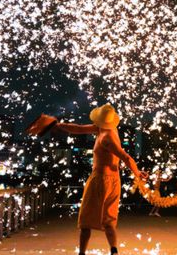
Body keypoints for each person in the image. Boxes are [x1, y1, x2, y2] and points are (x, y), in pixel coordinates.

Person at [33, 104, 147, 255]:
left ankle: (82, 253)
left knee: (85, 220)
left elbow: (126, 157)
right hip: (114, 181)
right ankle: (114, 251)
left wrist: (137, 172)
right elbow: (78, 128)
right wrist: (57, 125)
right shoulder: (108, 130)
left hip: (100, 180)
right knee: (109, 220)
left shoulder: (106, 138)